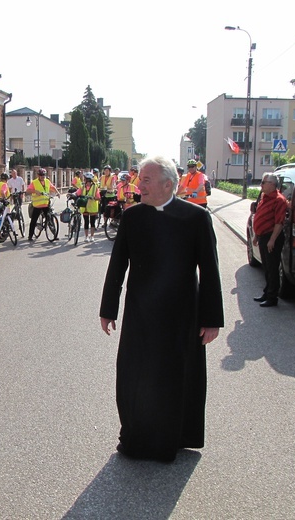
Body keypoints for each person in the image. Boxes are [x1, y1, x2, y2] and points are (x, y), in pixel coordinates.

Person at [99, 156, 223, 462]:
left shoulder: (196, 218)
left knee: (174, 377)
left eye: (146, 180)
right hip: (141, 312)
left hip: (181, 314)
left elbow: (210, 270)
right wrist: (108, 308)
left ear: (168, 184)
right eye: (140, 179)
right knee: (134, 376)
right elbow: (118, 265)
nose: (138, 185)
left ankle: (176, 436)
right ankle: (135, 437)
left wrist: (212, 320)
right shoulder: (132, 217)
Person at [252, 172, 288, 307]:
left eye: (263, 182)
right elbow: (260, 216)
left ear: (272, 184)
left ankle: (272, 298)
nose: (261, 185)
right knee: (266, 267)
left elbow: (279, 222)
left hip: (272, 237)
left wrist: (272, 240)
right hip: (263, 236)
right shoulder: (264, 197)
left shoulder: (279, 200)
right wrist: (256, 235)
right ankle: (267, 293)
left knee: (272, 268)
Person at [26, 168, 60, 242]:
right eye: (41, 175)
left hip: (46, 204)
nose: (42, 176)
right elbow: (28, 190)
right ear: (38, 175)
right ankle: (30, 236)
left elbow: (52, 187)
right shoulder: (34, 182)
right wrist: (35, 191)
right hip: (37, 205)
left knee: (50, 219)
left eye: (44, 175)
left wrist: (57, 192)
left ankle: (54, 235)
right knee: (33, 220)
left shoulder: (47, 181)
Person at [75, 172, 100, 242]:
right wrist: (73, 194)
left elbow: (98, 197)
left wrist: (94, 198)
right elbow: (78, 192)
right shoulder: (83, 186)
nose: (87, 182)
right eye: (86, 180)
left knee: (92, 222)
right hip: (85, 207)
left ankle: (92, 236)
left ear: (90, 181)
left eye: (88, 181)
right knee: (86, 222)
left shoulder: (95, 187)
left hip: (92, 207)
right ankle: (86, 237)